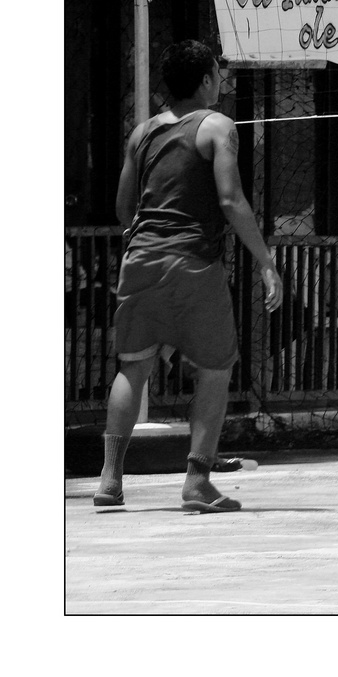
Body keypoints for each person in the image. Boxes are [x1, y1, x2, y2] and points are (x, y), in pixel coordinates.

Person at [95, 40, 283, 513]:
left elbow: (123, 208)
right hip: (194, 262)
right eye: (218, 73)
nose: (222, 81)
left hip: (140, 259)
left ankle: (110, 479)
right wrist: (265, 261)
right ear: (205, 81)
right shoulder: (218, 125)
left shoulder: (142, 134)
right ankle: (198, 481)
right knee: (216, 368)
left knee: (133, 368)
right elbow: (231, 200)